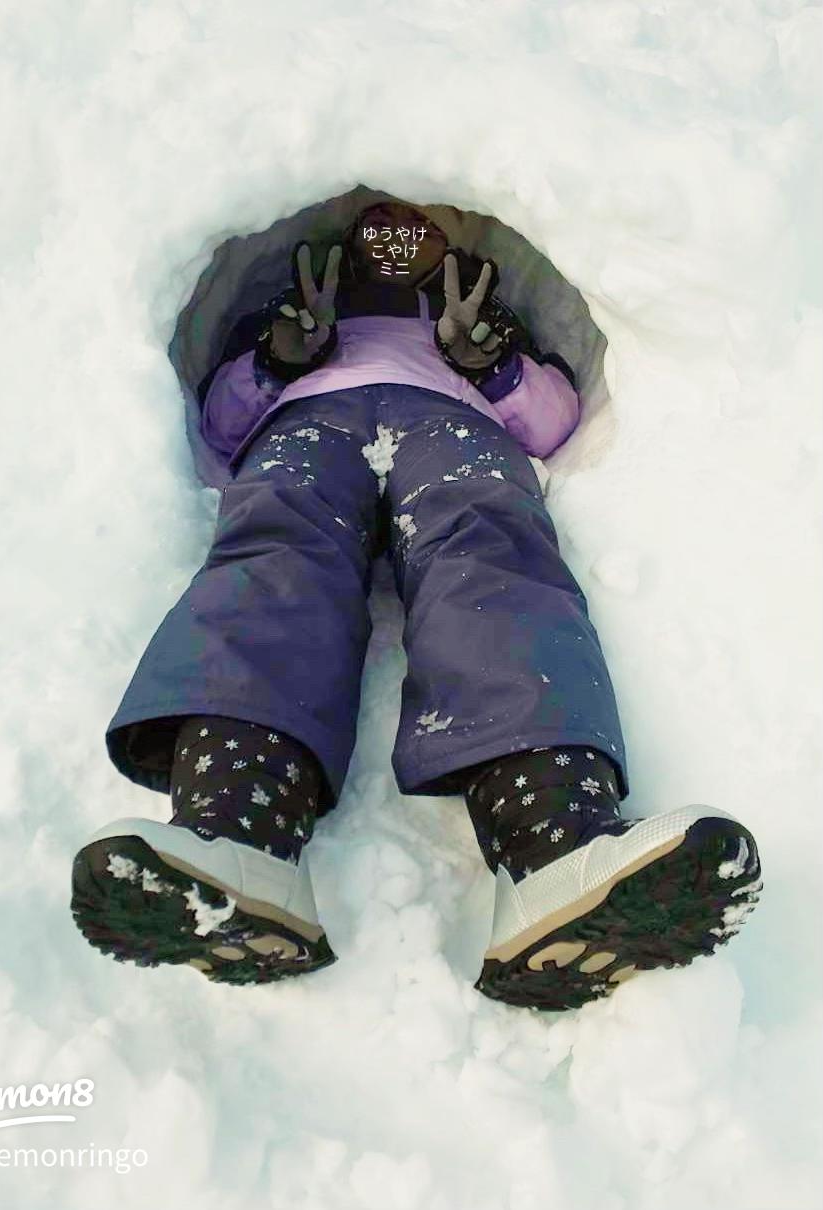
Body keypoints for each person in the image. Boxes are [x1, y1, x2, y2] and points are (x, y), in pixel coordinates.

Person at [70, 200, 763, 1011]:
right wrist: (280, 354)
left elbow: (552, 423)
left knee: (488, 555)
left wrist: (490, 360)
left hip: (454, 422)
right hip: (307, 422)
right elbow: (223, 425)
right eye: (375, 236)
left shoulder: (470, 306)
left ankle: (555, 848)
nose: (393, 244)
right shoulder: (300, 305)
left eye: (414, 237)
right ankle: (235, 833)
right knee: (276, 552)